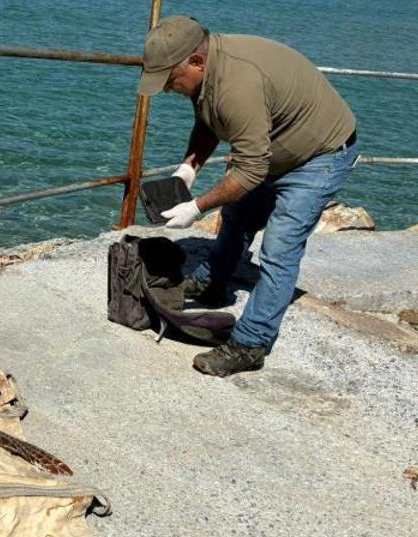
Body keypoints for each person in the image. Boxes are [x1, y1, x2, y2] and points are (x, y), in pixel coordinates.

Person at [139, 16, 359, 377]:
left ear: (196, 61)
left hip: (320, 156)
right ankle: (214, 282)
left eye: (168, 79)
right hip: (273, 151)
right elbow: (209, 122)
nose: (165, 88)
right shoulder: (208, 73)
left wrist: (197, 207)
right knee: (238, 217)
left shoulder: (237, 83)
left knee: (280, 250)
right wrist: (188, 170)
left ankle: (250, 343)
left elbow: (251, 170)